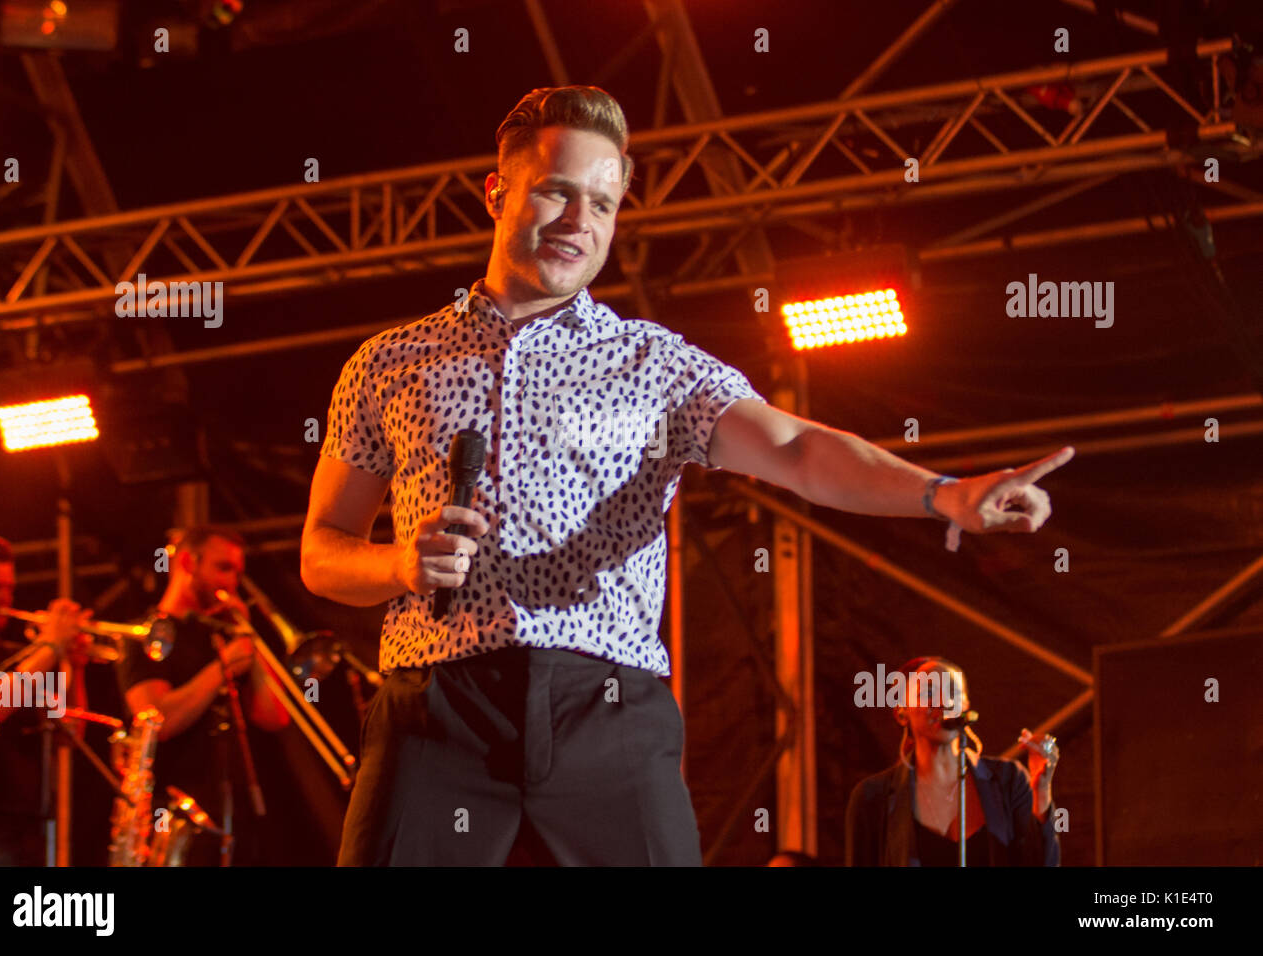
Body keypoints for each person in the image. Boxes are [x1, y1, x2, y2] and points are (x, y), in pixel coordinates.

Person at [301, 85, 1075, 866]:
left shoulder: (655, 362)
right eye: (557, 193)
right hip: (437, 711)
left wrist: (942, 493)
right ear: (498, 193)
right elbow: (322, 550)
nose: (579, 222)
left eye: (602, 204)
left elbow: (797, 448)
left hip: (605, 712)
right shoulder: (390, 363)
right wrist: (397, 563)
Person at [117, 526, 288, 865]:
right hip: (173, 819)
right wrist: (222, 668)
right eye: (223, 568)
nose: (232, 582)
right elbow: (156, 720)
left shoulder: (222, 633)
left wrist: (247, 637)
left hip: (233, 816)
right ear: (187, 563)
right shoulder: (146, 634)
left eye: (238, 572)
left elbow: (274, 716)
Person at [845, 656, 1061, 866]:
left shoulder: (1008, 781)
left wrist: (1041, 790)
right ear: (902, 712)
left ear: (966, 706)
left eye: (953, 693)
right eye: (928, 692)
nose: (943, 702)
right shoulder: (872, 798)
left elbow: (1043, 863)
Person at [0, 531, 91, 866]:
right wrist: (50, 648)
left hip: (27, 826)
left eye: (9, 588)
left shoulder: (19, 656)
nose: (5, 599)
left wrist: (73, 667)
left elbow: (70, 732)